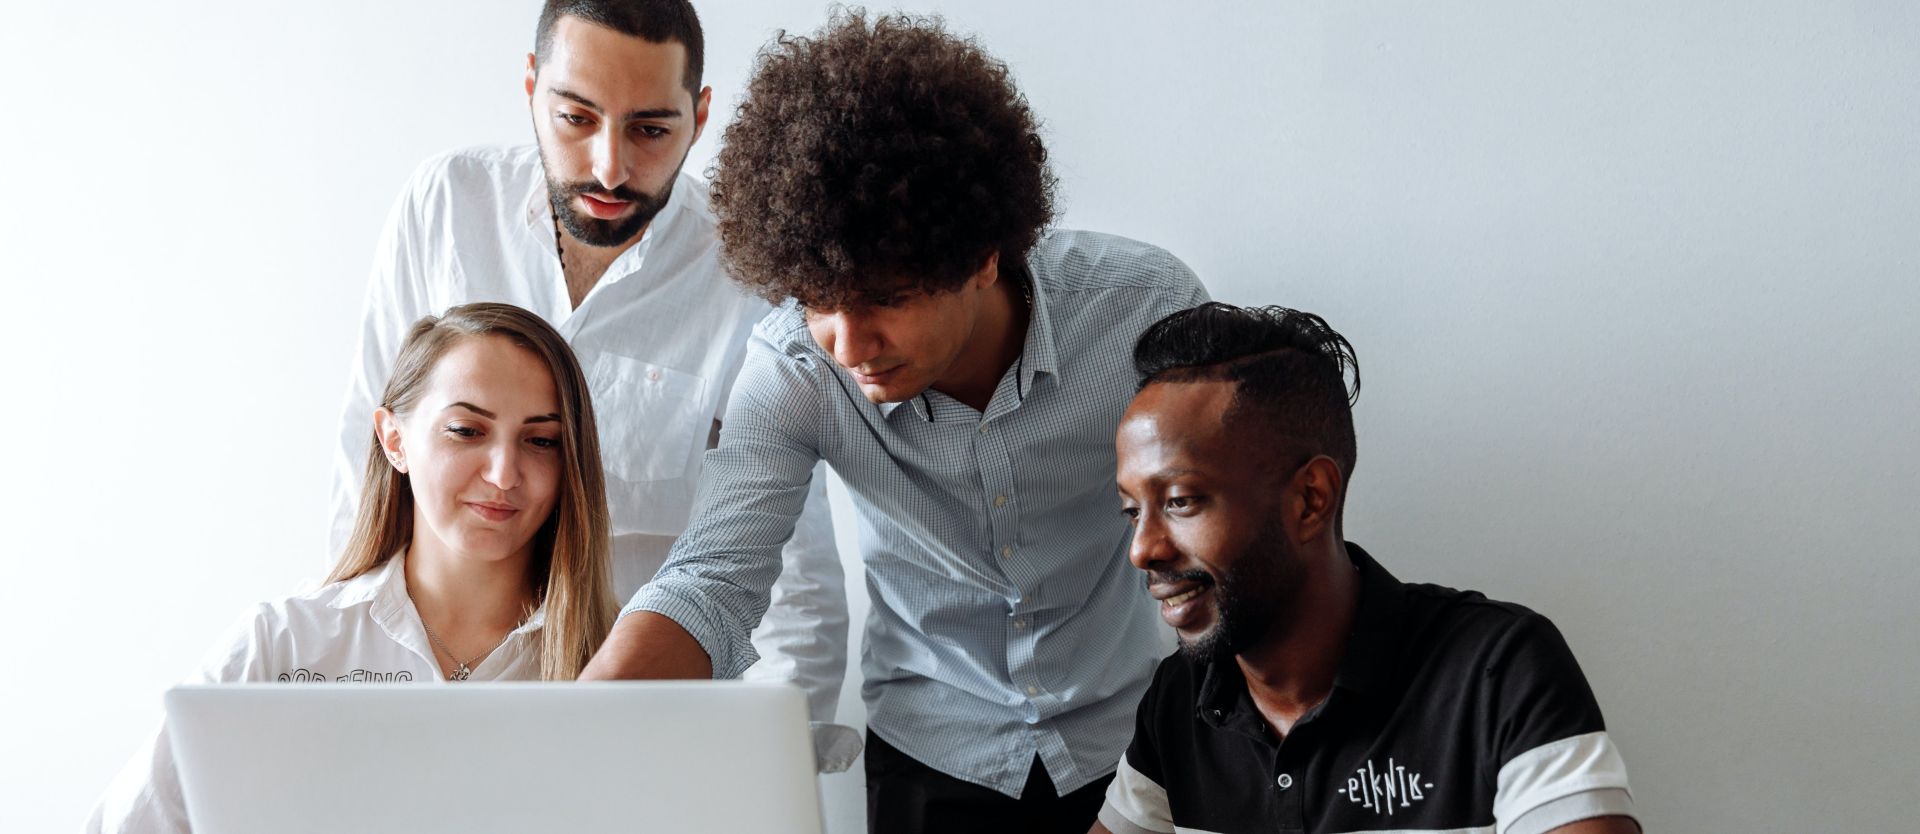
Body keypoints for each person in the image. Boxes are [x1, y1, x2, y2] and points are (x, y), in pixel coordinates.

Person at [581, 11, 1209, 833]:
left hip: (1138, 741)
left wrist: (1153, 793)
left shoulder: (1144, 313)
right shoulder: (795, 371)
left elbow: (1234, 553)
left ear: (983, 256)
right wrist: (571, 740)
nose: (849, 345)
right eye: (817, 303)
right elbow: (711, 581)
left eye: (887, 299)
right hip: (932, 758)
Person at [329, 0, 847, 722]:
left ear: (699, 117)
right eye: (576, 118)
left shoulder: (747, 275)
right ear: (532, 87)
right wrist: (344, 682)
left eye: (650, 129)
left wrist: (772, 769)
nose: (610, 167)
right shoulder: (446, 206)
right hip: (435, 707)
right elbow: (369, 469)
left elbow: (791, 569)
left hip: (645, 733)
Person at [1094, 303, 1639, 834]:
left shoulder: (1498, 670)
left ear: (1310, 499)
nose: (1143, 549)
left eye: (1182, 501)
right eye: (1131, 510)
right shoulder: (1180, 697)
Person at [90, 303, 618, 834]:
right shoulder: (280, 645)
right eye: (466, 430)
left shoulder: (616, 661)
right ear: (394, 440)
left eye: (542, 440)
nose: (504, 474)